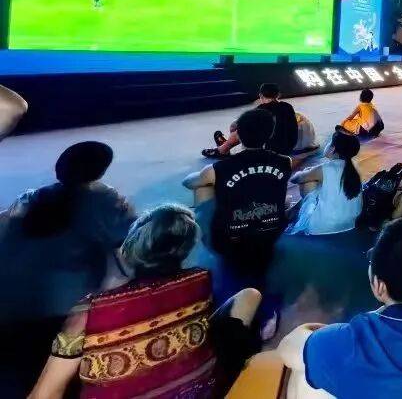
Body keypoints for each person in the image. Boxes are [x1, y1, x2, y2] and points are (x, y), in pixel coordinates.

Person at [29, 204, 265, 399]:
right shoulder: (199, 279)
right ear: (185, 249)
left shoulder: (90, 310)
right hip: (201, 390)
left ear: (133, 245)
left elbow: (45, 394)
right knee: (249, 297)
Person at [278, 218, 402, 398]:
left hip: (333, 345)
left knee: (303, 377)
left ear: (380, 286)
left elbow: (287, 349)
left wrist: (325, 332)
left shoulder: (355, 340)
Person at [0, 142, 135, 325]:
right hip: (73, 305)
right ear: (100, 172)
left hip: (17, 300)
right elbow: (131, 237)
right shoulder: (107, 200)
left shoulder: (29, 200)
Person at [184, 109, 313, 275]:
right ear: (270, 135)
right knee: (279, 195)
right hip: (273, 238)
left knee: (203, 187)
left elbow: (188, 182)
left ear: (238, 135)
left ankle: (207, 236)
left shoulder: (217, 168)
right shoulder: (285, 161)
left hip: (228, 245)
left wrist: (205, 176)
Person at [287, 128, 365, 235]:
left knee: (309, 183)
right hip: (349, 224)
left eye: (329, 142)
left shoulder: (326, 168)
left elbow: (295, 179)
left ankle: (299, 220)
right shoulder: (355, 168)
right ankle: (291, 212)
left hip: (322, 227)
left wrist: (307, 170)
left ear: (333, 149)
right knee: (322, 186)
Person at [203, 83, 300, 158]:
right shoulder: (287, 106)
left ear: (260, 95)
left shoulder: (261, 109)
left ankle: (223, 150)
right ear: (278, 95)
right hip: (289, 147)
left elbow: (236, 125)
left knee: (239, 127)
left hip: (270, 151)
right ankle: (227, 144)